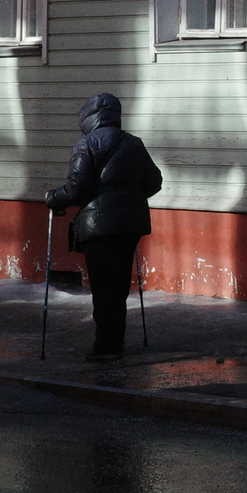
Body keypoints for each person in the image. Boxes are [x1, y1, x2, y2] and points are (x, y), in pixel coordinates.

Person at [43, 93, 161, 359]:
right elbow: (154, 182)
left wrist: (53, 198)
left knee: (103, 289)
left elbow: (76, 189)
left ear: (89, 117)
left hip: (99, 227)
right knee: (118, 287)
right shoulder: (134, 144)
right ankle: (114, 342)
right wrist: (129, 195)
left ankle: (107, 346)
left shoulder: (86, 144)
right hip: (130, 226)